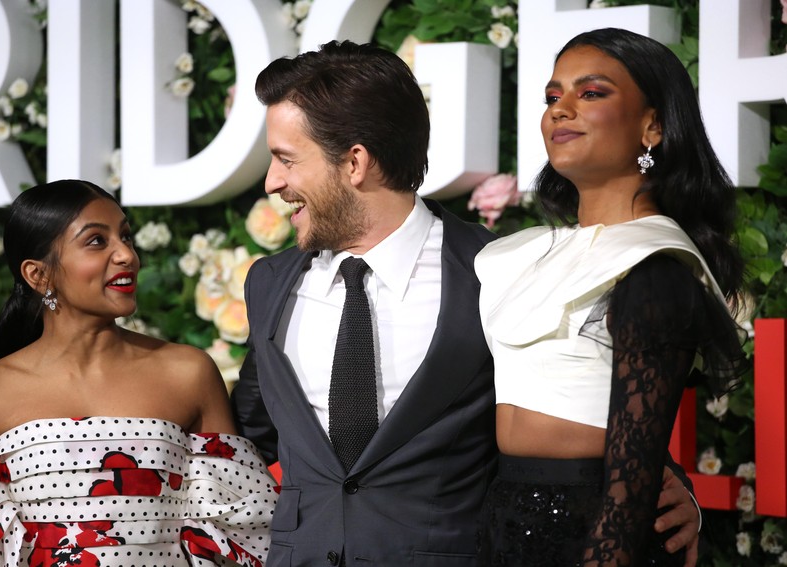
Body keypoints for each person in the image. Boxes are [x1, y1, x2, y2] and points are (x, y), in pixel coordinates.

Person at [230, 39, 702, 567]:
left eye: (285, 159)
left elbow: (574, 395)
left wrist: (670, 486)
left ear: (355, 162)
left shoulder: (499, 269)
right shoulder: (269, 284)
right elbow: (247, 435)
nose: (272, 182)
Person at [475, 28, 749, 566]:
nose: (561, 110)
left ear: (653, 125)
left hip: (594, 528)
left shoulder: (655, 266)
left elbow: (630, 477)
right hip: (506, 519)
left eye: (591, 93)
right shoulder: (521, 256)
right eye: (554, 97)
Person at [0, 180, 277, 566]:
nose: (126, 255)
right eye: (96, 241)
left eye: (126, 236)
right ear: (39, 276)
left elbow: (244, 533)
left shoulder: (188, 372)